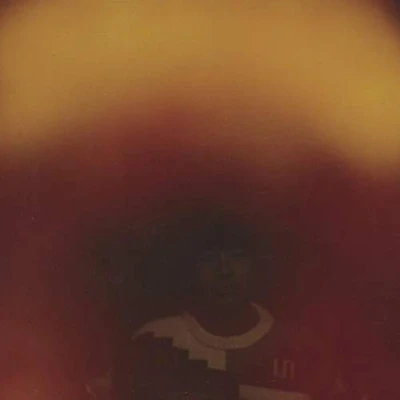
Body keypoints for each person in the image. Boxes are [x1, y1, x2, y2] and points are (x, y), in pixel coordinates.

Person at [112, 210, 346, 400]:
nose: (224, 271)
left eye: (237, 255)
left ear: (257, 264)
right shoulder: (153, 340)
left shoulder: (304, 350)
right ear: (191, 268)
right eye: (209, 258)